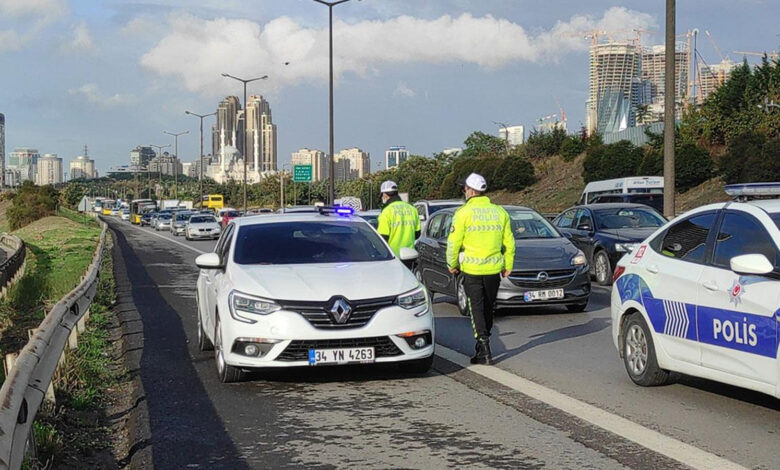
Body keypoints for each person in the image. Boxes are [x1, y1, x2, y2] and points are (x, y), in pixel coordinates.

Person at [446, 173, 515, 365]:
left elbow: (453, 243)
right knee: (487, 308)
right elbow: (509, 242)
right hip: (493, 270)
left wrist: (452, 264)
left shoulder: (462, 213)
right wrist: (508, 264)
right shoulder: (500, 212)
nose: (464, 192)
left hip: (472, 270)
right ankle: (483, 344)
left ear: (470, 191)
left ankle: (484, 347)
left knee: (476, 308)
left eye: (464, 189)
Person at [376, 180, 421, 266]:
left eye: (382, 195)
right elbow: (417, 234)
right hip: (410, 256)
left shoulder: (386, 211)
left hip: (393, 257)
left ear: (385, 195)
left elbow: (383, 238)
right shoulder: (412, 209)